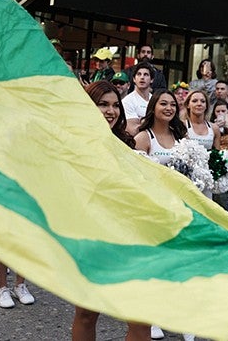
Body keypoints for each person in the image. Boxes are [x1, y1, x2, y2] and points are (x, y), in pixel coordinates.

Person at [73, 81, 150, 341]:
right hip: (91, 239)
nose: (111, 111)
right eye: (103, 104)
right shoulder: (73, 145)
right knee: (86, 314)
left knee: (141, 319)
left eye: (116, 105)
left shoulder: (126, 144)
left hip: (129, 239)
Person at [134, 90, 187, 167]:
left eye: (173, 105)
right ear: (152, 108)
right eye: (163, 104)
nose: (169, 108)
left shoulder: (181, 135)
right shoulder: (142, 138)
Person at [122, 62, 154, 135]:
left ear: (152, 80)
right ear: (134, 79)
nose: (142, 77)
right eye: (139, 74)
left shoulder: (155, 99)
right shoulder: (127, 101)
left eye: (146, 75)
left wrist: (143, 121)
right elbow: (133, 130)